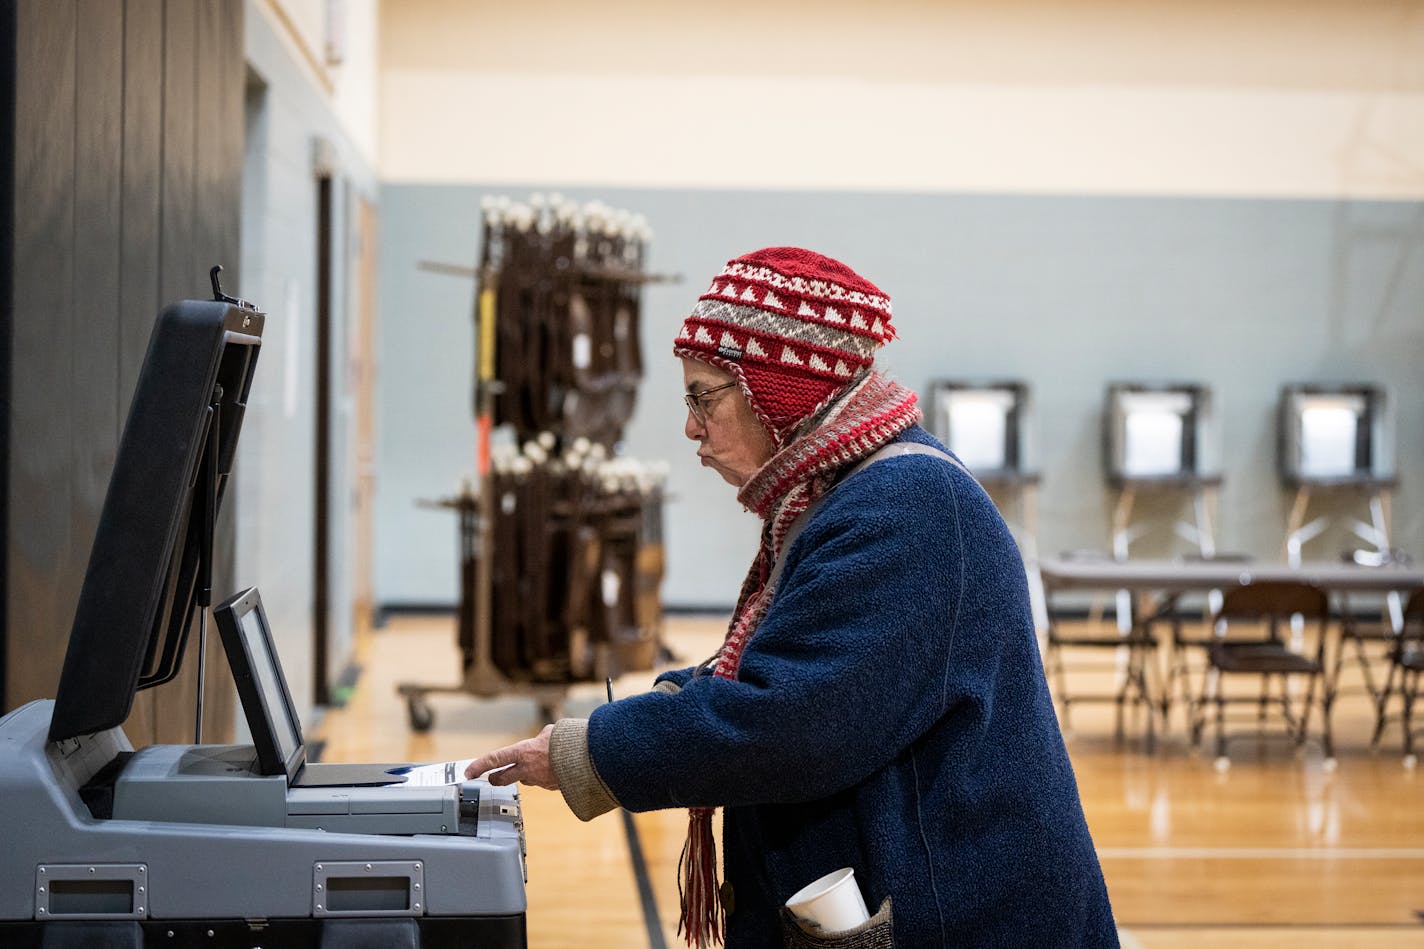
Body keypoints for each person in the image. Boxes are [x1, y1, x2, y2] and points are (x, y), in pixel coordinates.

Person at [464, 247, 1118, 948]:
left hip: (967, 915)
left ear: (780, 391)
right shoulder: (846, 495)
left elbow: (791, 721)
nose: (690, 426)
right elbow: (784, 662)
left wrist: (586, 752)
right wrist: (674, 701)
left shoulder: (906, 507)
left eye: (702, 396)